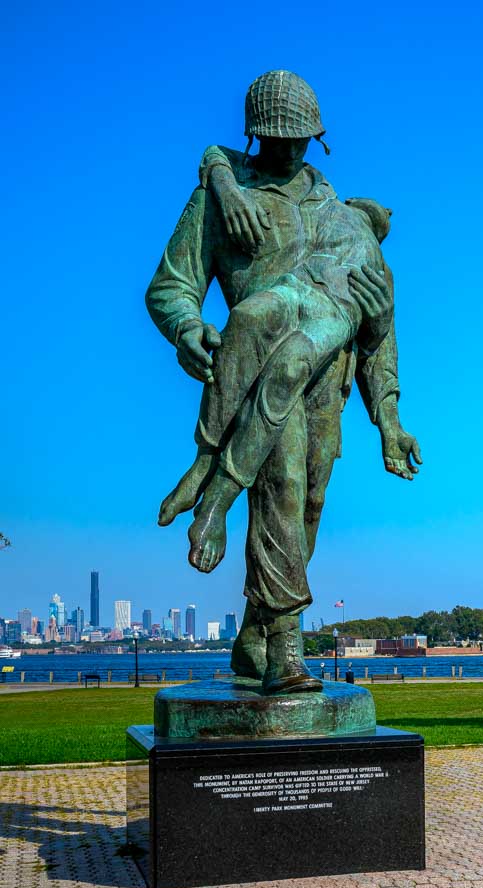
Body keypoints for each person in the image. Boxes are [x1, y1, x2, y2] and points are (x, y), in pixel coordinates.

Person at [146, 70, 421, 694]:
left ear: (317, 139)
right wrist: (188, 328)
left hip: (330, 385)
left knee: (309, 504)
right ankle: (285, 654)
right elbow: (171, 286)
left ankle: (255, 633)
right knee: (283, 490)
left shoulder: (341, 215)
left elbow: (382, 331)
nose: (288, 150)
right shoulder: (223, 197)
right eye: (275, 139)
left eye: (300, 139)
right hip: (257, 376)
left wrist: (391, 419)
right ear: (254, 135)